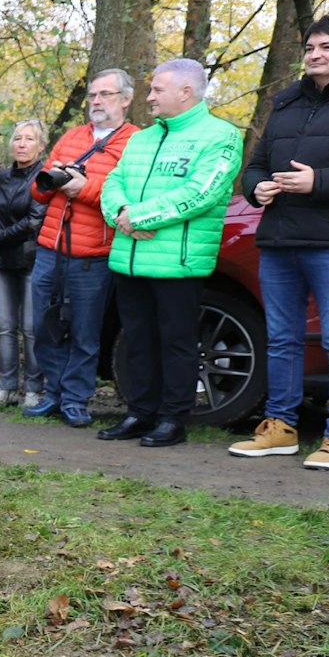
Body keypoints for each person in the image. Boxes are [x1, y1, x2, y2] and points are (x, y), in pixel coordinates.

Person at [232, 12, 329, 470]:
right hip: (281, 237)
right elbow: (255, 164)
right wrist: (257, 187)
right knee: (282, 338)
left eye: (327, 47)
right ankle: (280, 428)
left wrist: (319, 183)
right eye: (310, 48)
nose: (315, 55)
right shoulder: (286, 102)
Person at [97, 59, 243, 447]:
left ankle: (173, 418)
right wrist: (122, 216)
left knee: (177, 342)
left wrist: (141, 216)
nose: (148, 97)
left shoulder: (221, 136)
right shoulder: (141, 139)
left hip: (178, 263)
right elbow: (113, 183)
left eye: (157, 90)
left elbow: (202, 192)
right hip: (129, 257)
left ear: (186, 92)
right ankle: (140, 413)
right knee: (138, 340)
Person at [25, 69, 138, 428]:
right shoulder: (73, 137)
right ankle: (54, 393)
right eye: (92, 95)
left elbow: (129, 197)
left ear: (125, 99)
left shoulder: (136, 142)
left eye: (105, 94)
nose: (96, 102)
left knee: (86, 332)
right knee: (44, 326)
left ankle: (76, 399)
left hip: (94, 255)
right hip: (50, 247)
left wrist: (83, 188)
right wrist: (51, 182)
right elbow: (38, 189)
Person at [0, 120, 50, 407]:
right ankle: (5, 388)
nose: (22, 144)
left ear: (40, 145)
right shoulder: (4, 178)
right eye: (18, 139)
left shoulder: (44, 176)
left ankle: (33, 390)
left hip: (32, 260)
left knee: (31, 328)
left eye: (29, 139)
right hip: (3, 261)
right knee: (5, 327)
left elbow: (33, 221)